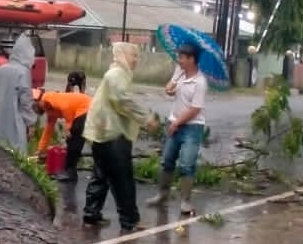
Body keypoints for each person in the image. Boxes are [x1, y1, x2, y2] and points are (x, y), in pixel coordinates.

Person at [83, 42, 146, 231]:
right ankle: (130, 220)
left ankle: (91, 214)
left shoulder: (116, 73)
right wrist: (145, 117)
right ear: (123, 55)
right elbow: (122, 101)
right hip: (112, 135)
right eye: (133, 55)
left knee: (101, 175)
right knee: (122, 179)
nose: (136, 60)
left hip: (102, 134)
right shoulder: (117, 74)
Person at [148, 41, 209, 216]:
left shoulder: (200, 82)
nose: (179, 60)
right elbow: (170, 87)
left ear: (192, 59)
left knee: (187, 164)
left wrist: (177, 123)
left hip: (192, 127)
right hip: (174, 122)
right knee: (167, 160)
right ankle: (162, 195)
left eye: (182, 57)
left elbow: (195, 109)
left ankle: (186, 201)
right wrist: (170, 89)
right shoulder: (180, 72)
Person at [34, 76, 92, 184]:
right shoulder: (49, 110)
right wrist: (41, 149)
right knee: (72, 140)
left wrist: (68, 127)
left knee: (75, 136)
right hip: (80, 111)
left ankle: (70, 172)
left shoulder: (48, 98)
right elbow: (48, 130)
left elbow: (65, 106)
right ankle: (70, 171)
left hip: (85, 107)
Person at [0, 33, 37, 152]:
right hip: (14, 121)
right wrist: (30, 124)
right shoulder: (23, 72)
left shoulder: (1, 69)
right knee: (14, 152)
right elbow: (25, 101)